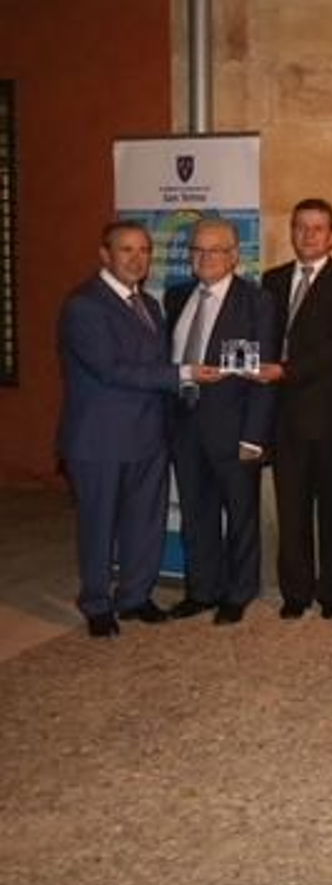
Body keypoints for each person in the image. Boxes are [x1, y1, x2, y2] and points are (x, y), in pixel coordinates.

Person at [56, 221, 220, 636]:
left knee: (145, 520)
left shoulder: (150, 304)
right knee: (99, 524)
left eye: (144, 250)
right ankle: (96, 602)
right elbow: (111, 369)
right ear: (105, 255)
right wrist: (183, 372)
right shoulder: (84, 305)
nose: (136, 258)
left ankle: (134, 596)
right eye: (126, 250)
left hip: (149, 433)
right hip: (100, 438)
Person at [163, 218, 278, 625]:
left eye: (215, 250)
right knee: (196, 513)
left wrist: (254, 437)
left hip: (235, 428)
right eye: (197, 250)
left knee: (241, 514)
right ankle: (201, 590)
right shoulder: (175, 298)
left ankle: (238, 592)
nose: (205, 257)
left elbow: (264, 375)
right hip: (185, 425)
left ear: (234, 256)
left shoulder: (257, 302)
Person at [260, 198, 332, 619]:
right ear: (291, 231)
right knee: (291, 508)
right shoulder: (272, 280)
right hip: (282, 417)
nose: (308, 235)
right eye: (301, 227)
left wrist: (285, 371)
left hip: (329, 415)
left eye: (318, 228)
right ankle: (296, 592)